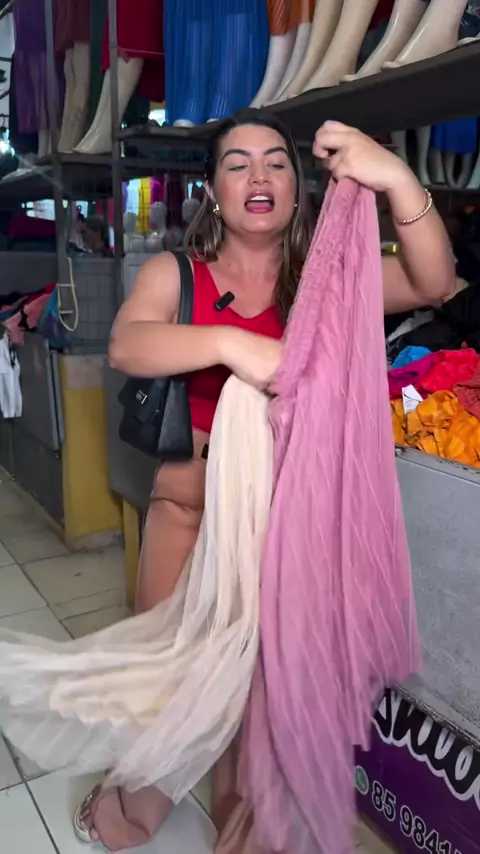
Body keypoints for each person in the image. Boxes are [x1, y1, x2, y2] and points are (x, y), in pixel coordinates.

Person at [75, 110, 456, 850]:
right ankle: (136, 800)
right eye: (238, 163)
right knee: (168, 682)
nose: (259, 176)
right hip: (188, 515)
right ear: (213, 191)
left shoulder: (326, 284)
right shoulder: (176, 273)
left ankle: (243, 828)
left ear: (296, 188)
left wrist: (395, 176)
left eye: (277, 162)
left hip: (286, 533)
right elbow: (127, 344)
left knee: (260, 707)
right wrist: (230, 344)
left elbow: (433, 281)